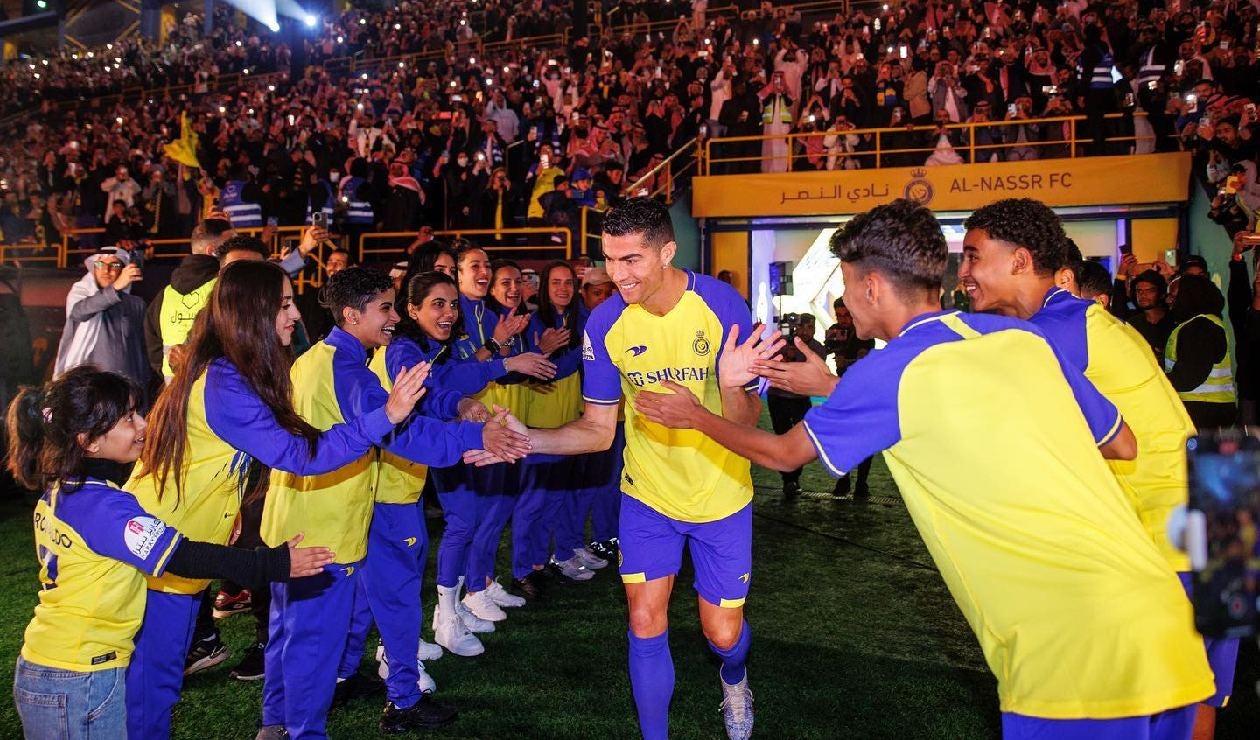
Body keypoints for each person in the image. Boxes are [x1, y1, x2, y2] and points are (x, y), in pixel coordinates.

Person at [634, 199, 1216, 740]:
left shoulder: (888, 374)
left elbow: (784, 454)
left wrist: (693, 415)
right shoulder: (1017, 336)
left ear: (873, 285)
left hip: (1072, 642)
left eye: (845, 284)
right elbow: (1122, 443)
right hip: (1161, 610)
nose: (845, 299)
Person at [478, 198, 763, 740]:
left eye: (631, 260)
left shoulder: (721, 304)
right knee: (643, 620)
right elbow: (597, 429)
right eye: (609, 260)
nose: (618, 275)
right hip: (647, 498)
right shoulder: (607, 322)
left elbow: (748, 424)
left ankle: (734, 678)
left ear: (667, 251)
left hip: (722, 496)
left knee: (722, 633)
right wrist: (524, 440)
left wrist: (724, 389)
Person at [959, 197, 1238, 732]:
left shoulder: (1051, 330)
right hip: (1223, 500)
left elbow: (965, 402)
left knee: (1159, 708)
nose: (965, 272)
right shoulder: (1085, 319)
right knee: (1197, 704)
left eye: (973, 256)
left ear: (1020, 261)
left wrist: (836, 389)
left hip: (1176, 529)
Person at [123, 260, 433, 740]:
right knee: (150, 687)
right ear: (252, 311)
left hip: (177, 549)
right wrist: (385, 415)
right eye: (284, 304)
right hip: (159, 550)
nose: (295, 315)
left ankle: (277, 728)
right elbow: (296, 454)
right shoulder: (225, 380)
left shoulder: (231, 371)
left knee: (157, 682)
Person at [259, 267, 530, 739]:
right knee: (318, 638)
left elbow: (420, 402)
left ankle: (278, 722)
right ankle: (351, 713)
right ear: (352, 313)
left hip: (300, 517)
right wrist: (475, 434)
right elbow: (401, 429)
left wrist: (462, 409)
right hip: (326, 527)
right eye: (386, 308)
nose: (392, 318)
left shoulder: (321, 358)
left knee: (297, 632)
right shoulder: (351, 366)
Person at [6, 367, 333, 740]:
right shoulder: (103, 508)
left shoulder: (61, 493)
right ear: (89, 441)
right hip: (80, 676)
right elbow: (182, 556)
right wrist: (275, 563)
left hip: (52, 664)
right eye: (128, 418)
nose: (143, 425)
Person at [143, 217, 234, 383]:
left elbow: (152, 345)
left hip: (174, 390)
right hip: (215, 389)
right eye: (230, 245)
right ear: (212, 251)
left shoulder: (165, 295)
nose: (234, 250)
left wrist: (169, 369)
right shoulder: (224, 288)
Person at [53, 247, 149, 391]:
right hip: (90, 389)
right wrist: (115, 289)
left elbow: (141, 352)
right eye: (100, 264)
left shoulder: (136, 304)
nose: (106, 270)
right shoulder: (80, 294)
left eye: (114, 265)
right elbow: (80, 312)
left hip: (126, 390)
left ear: (123, 270)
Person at [1164, 273, 1237, 430]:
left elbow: (1189, 376)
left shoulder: (1200, 328)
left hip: (1202, 411)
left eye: (1173, 295)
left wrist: (1156, 380)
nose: (1168, 300)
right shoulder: (1200, 324)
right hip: (1206, 409)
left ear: (1189, 296)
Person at [765, 313, 825, 497]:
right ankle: (788, 479)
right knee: (781, 435)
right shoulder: (780, 343)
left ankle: (794, 476)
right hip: (778, 397)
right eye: (803, 327)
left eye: (811, 327)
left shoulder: (816, 348)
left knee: (801, 439)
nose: (807, 332)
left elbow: (816, 372)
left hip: (800, 400)